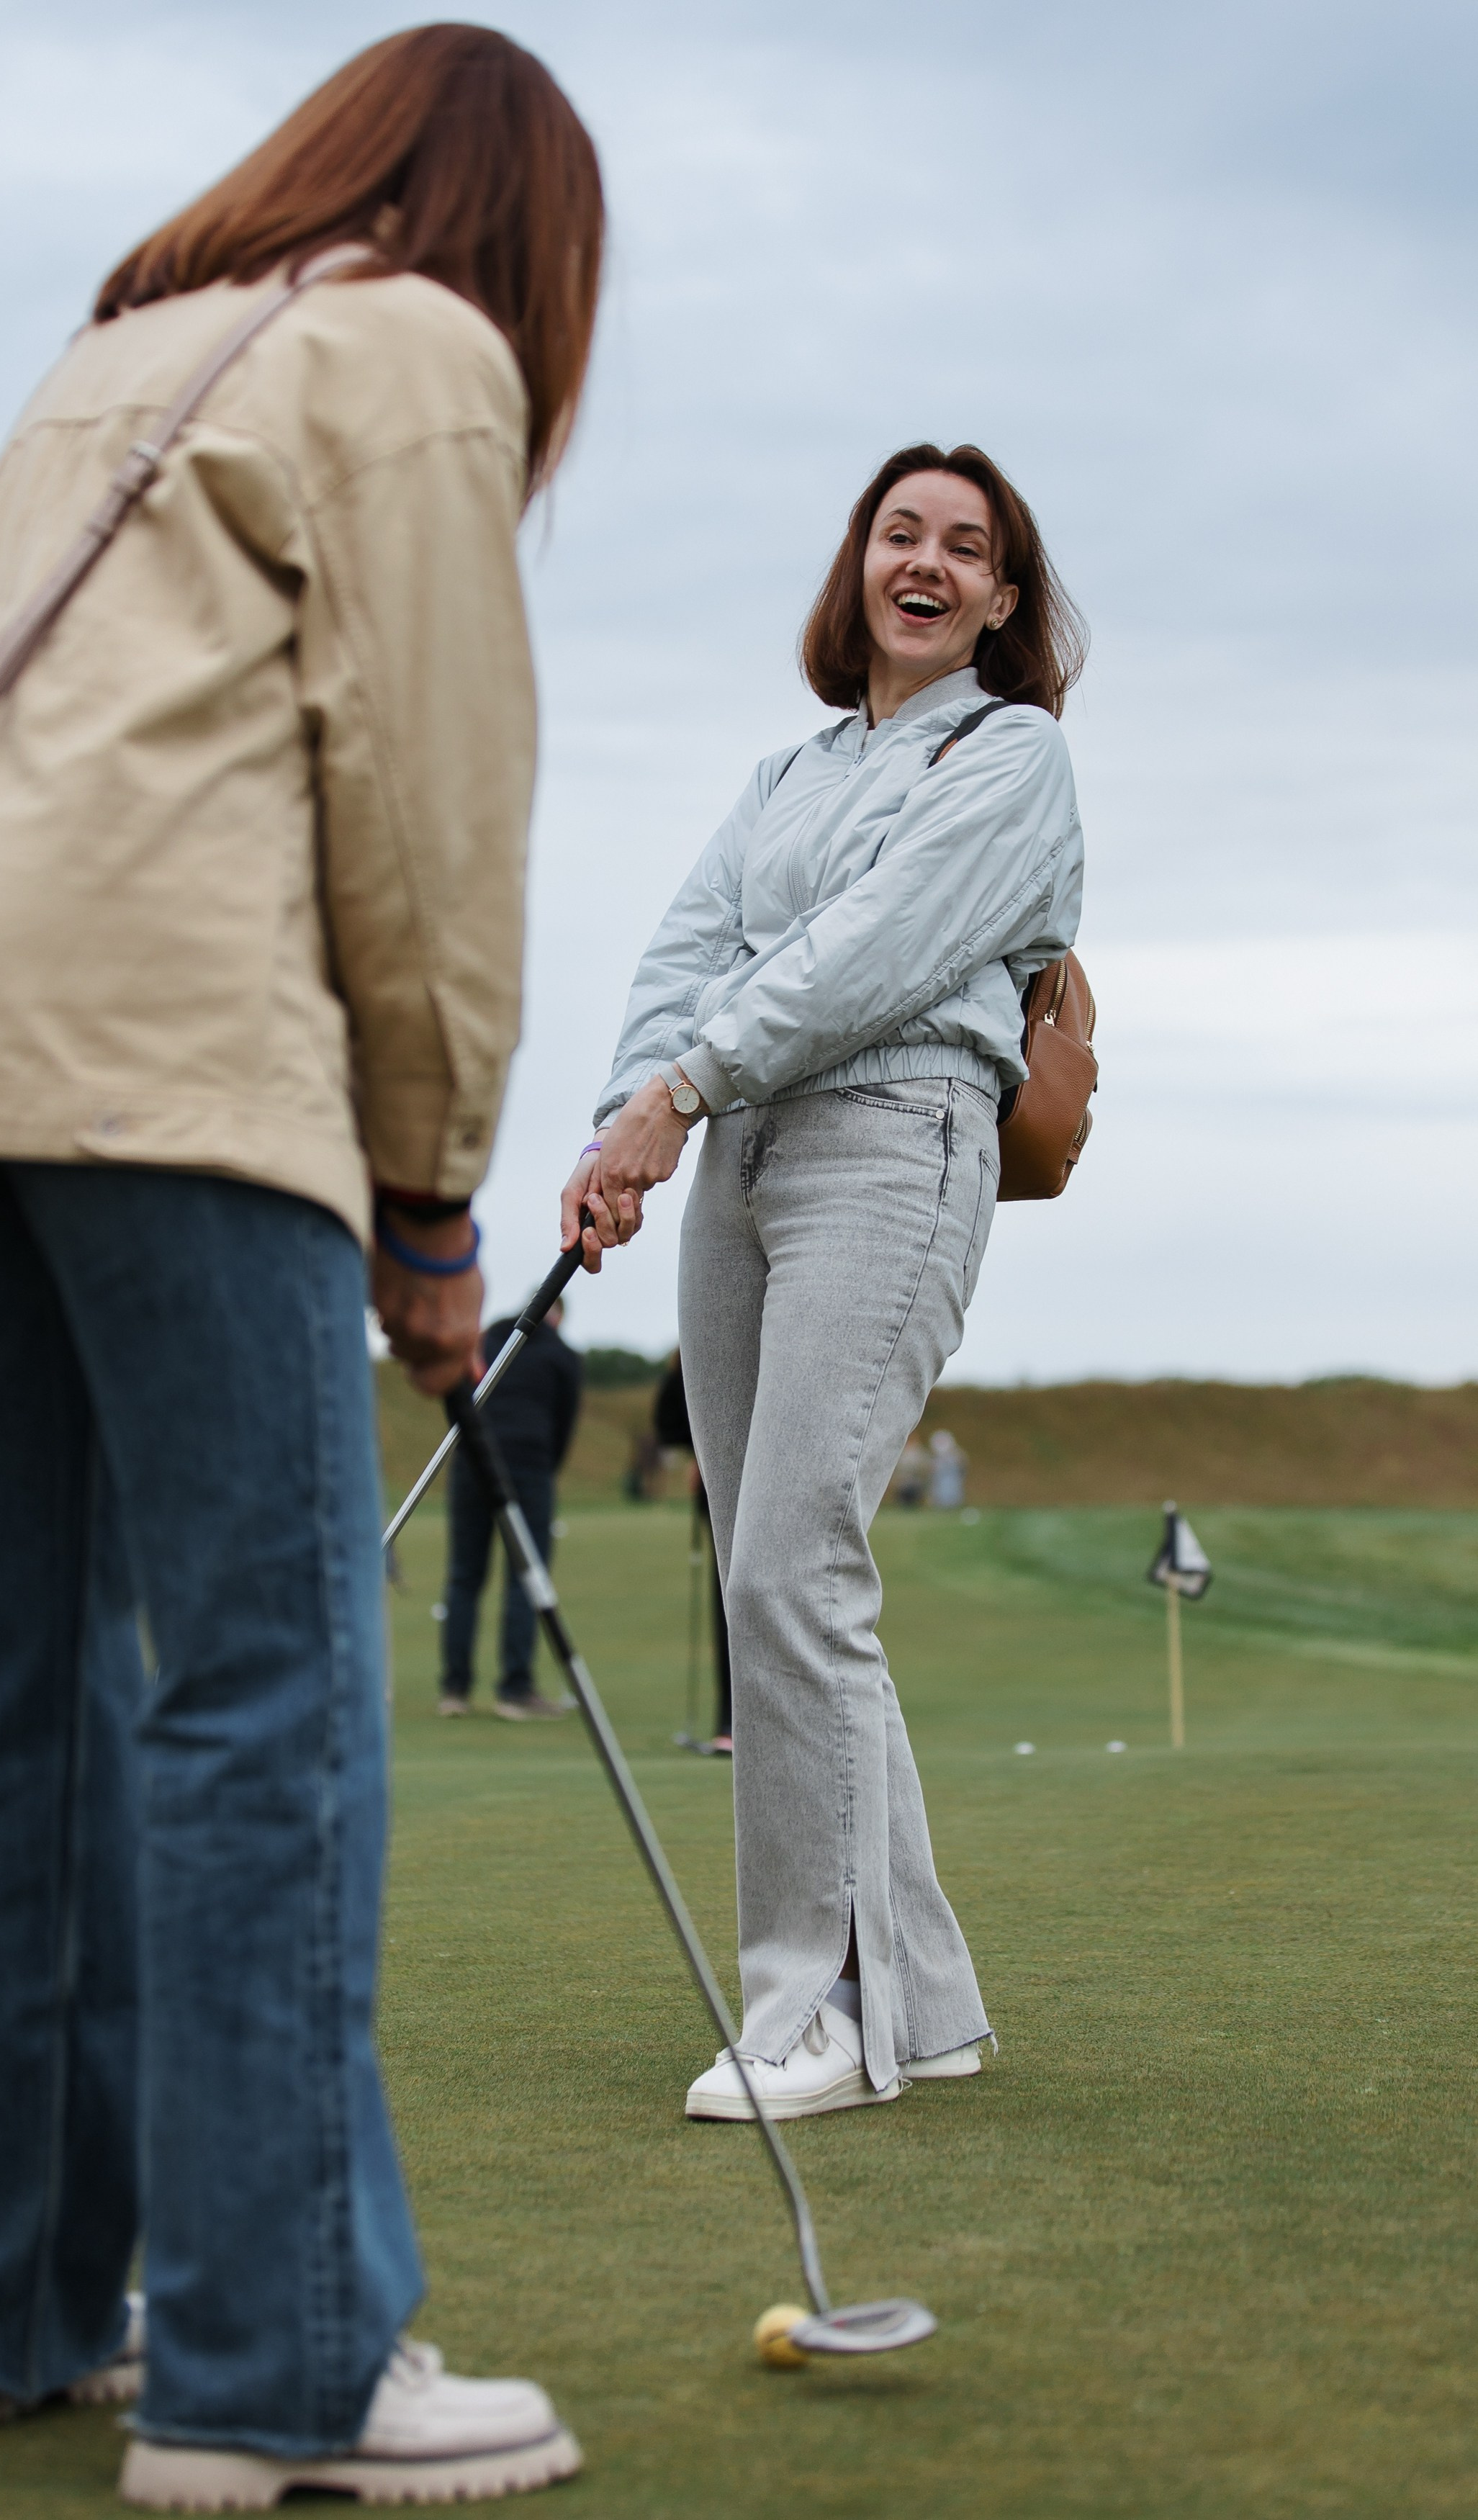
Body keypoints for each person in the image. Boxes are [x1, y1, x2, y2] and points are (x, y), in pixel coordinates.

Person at [0, 29, 603, 2509]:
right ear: (525, 226)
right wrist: (435, 1194)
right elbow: (429, 802)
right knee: (264, 1691)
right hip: (188, 1067)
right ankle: (275, 2368)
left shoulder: (118, 348)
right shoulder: (421, 345)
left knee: (5, 1681)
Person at [560, 441, 1085, 2123]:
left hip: (893, 1139)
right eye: (896, 532)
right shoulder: (783, 774)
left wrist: (678, 1089)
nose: (924, 562)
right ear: (857, 566)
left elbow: (878, 950)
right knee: (771, 1574)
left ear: (1000, 599)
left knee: (793, 1561)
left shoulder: (1011, 755)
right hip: (735, 1157)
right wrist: (625, 1119)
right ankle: (920, 2005)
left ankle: (814, 2008)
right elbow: (686, 949)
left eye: (963, 547)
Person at [439, 1303, 582, 1719]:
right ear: (558, 1316)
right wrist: (547, 1466)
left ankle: (454, 1689)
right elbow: (565, 1420)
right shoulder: (562, 1355)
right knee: (526, 1576)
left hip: (472, 1459)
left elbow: (455, 1391)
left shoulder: (486, 1339)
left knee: (464, 1576)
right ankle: (515, 1690)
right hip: (529, 1466)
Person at [653, 1351, 732, 1750]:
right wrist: (700, 1448)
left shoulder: (693, 1358)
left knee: (734, 1592)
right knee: (734, 1592)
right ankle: (732, 1723)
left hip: (721, 1480)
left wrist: (698, 1449)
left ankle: (731, 1724)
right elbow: (668, 1422)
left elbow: (667, 1424)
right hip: (721, 1481)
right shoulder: (693, 1360)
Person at [926, 1428, 969, 1510]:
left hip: (954, 1491)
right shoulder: (933, 1460)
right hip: (938, 1493)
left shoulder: (957, 1457)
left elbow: (963, 1471)